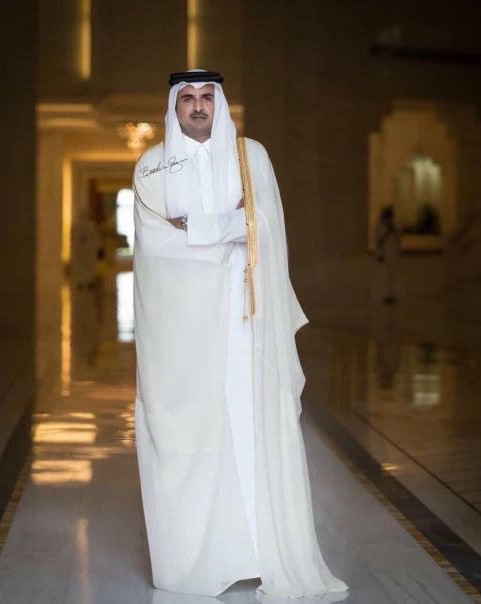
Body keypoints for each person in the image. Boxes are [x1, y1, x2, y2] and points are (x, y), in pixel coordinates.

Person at [132, 69, 349, 599]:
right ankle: (196, 562)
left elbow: (266, 226)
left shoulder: (252, 157)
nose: (198, 107)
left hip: (246, 327)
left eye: (207, 97)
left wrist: (199, 228)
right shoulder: (152, 166)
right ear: (174, 106)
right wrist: (229, 230)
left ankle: (260, 553)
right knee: (190, 438)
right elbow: (157, 246)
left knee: (252, 432)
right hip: (184, 336)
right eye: (188, 98)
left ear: (220, 103)